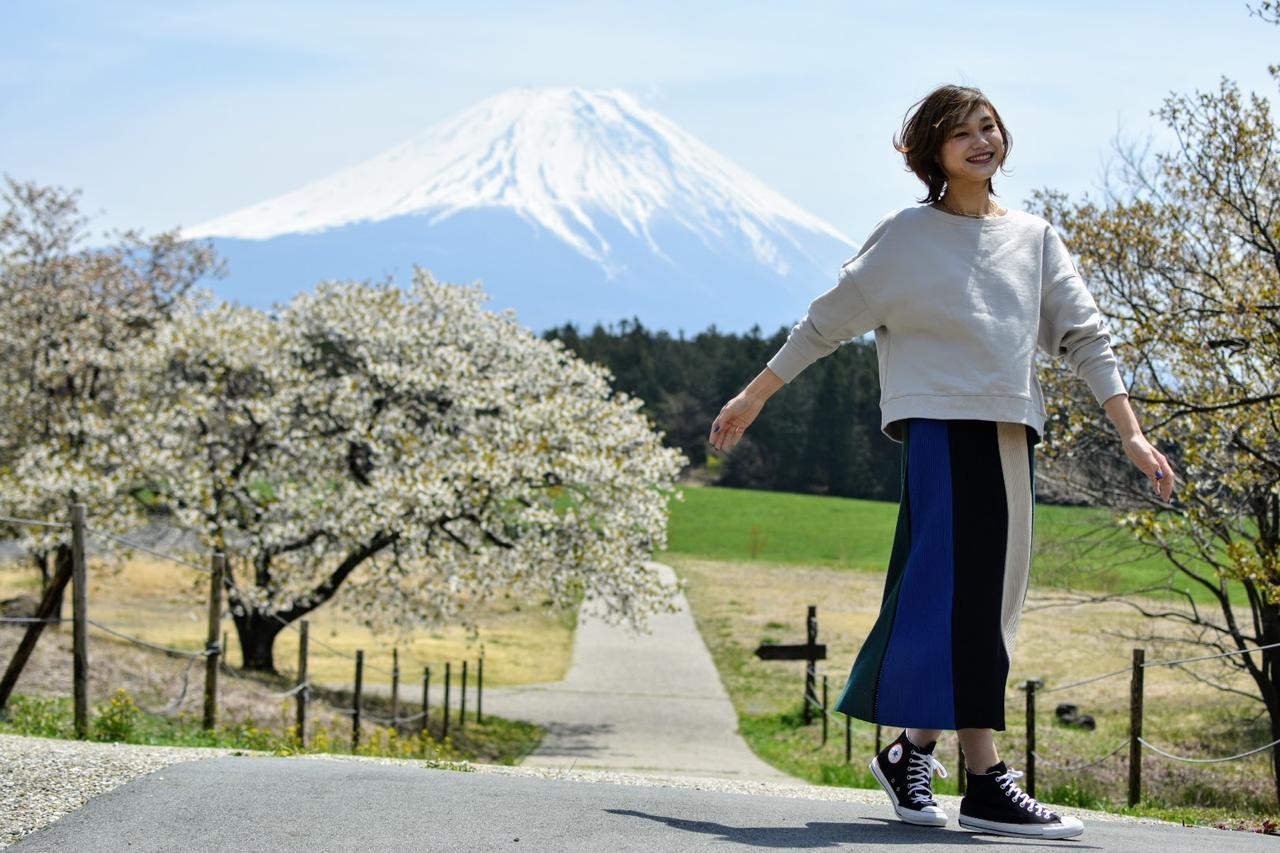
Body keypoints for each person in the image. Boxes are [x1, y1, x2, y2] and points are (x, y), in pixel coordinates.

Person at [706, 84, 1178, 840]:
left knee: (983, 600)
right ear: (933, 153)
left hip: (1009, 435)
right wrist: (753, 395)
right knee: (961, 596)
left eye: (988, 126)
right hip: (939, 432)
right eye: (961, 134)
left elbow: (1087, 337)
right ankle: (986, 780)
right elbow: (824, 323)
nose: (980, 141)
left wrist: (1130, 432)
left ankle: (911, 750)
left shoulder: (1035, 237)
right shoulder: (904, 237)